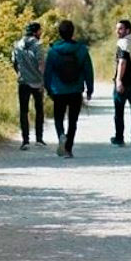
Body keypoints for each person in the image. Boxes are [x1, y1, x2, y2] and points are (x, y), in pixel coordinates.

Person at [44, 20, 94, 158]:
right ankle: (68, 149)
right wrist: (90, 89)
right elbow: (88, 70)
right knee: (73, 121)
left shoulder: (53, 51)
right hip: (75, 90)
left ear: (59, 33)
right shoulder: (82, 50)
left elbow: (47, 72)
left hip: (58, 91)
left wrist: (48, 89)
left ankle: (61, 135)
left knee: (58, 118)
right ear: (73, 32)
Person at [12, 22, 46, 150]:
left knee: (23, 111)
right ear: (35, 32)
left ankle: (25, 140)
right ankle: (39, 139)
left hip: (23, 82)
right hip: (37, 82)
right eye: (40, 31)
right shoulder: (38, 45)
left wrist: (20, 74)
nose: (41, 33)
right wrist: (43, 80)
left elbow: (14, 63)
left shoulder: (17, 45)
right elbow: (41, 63)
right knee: (39, 110)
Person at [111, 19, 131, 147]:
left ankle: (119, 137)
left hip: (123, 83)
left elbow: (122, 62)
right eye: (117, 28)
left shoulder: (123, 43)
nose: (117, 31)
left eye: (120, 29)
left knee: (119, 111)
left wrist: (119, 80)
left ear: (128, 30)